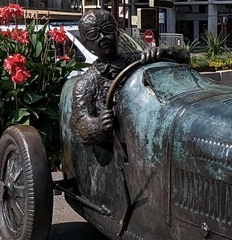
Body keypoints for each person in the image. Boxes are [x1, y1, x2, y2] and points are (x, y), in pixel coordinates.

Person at [69, 8, 187, 147]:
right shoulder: (86, 84)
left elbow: (184, 58)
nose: (103, 37)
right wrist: (98, 125)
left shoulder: (139, 59)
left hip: (151, 137)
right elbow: (82, 126)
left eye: (107, 30)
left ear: (118, 33)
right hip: (119, 150)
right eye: (94, 34)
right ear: (86, 43)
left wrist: (163, 52)